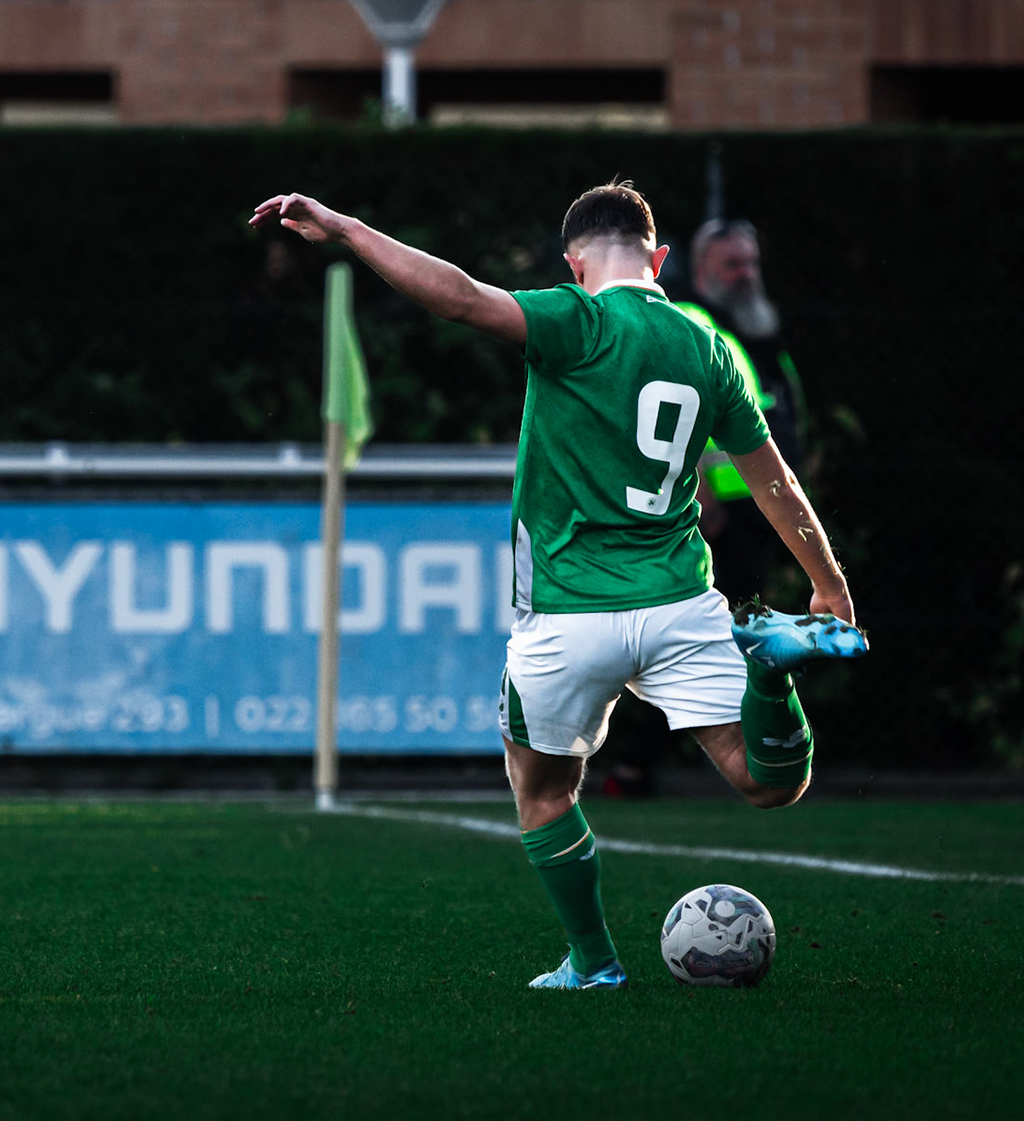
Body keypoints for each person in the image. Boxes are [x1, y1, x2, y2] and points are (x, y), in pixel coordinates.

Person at [251, 182, 865, 990]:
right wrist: (828, 582)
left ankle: (595, 961)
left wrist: (347, 228)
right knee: (770, 782)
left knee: (539, 788)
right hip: (681, 602)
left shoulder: (576, 318)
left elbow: (463, 299)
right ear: (662, 259)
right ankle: (772, 673)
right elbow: (773, 480)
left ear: (575, 266)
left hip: (569, 616)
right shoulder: (708, 345)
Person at [680, 218, 808, 605]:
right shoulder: (692, 323)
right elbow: (681, 412)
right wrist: (700, 493)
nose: (746, 274)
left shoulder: (758, 328)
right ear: (702, 269)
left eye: (751, 263)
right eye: (732, 264)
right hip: (720, 518)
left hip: (761, 508)